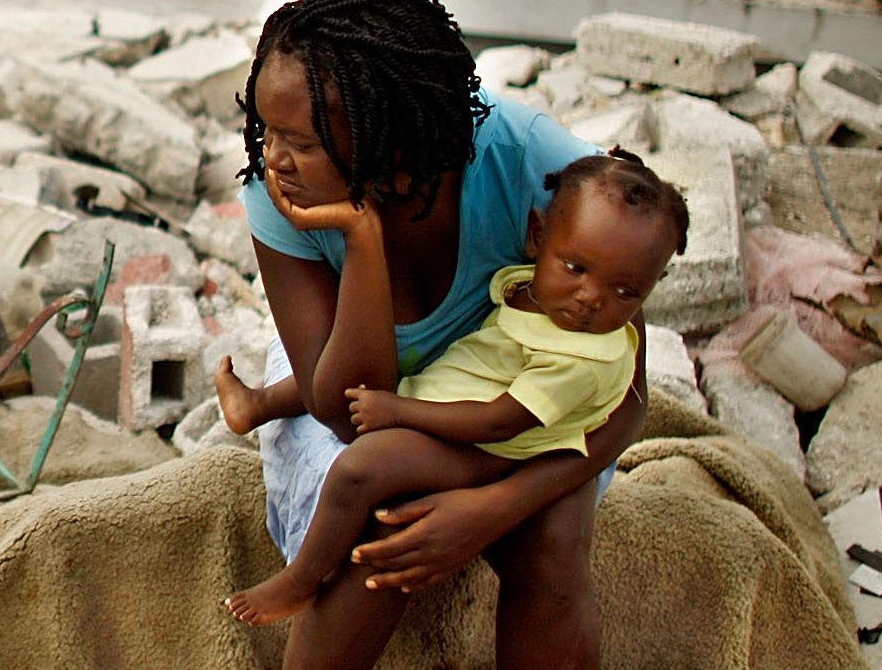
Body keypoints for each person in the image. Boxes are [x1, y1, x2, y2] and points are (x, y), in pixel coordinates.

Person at [196, 0, 648, 670]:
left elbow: (623, 392)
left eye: (301, 136)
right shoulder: (284, 200)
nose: (274, 157)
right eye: (267, 130)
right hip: (377, 402)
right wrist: (354, 238)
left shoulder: (533, 165)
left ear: (396, 127)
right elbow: (347, 404)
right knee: (379, 525)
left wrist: (493, 509)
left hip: (516, 405)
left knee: (554, 555)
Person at [220, 151, 689, 628]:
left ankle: (301, 580)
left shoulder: (585, 358)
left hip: (492, 447)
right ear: (537, 236)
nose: (592, 298)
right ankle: (259, 404)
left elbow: (500, 421)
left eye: (626, 292)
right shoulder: (534, 291)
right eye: (575, 268)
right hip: (459, 393)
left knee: (358, 470)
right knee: (351, 373)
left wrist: (400, 411)